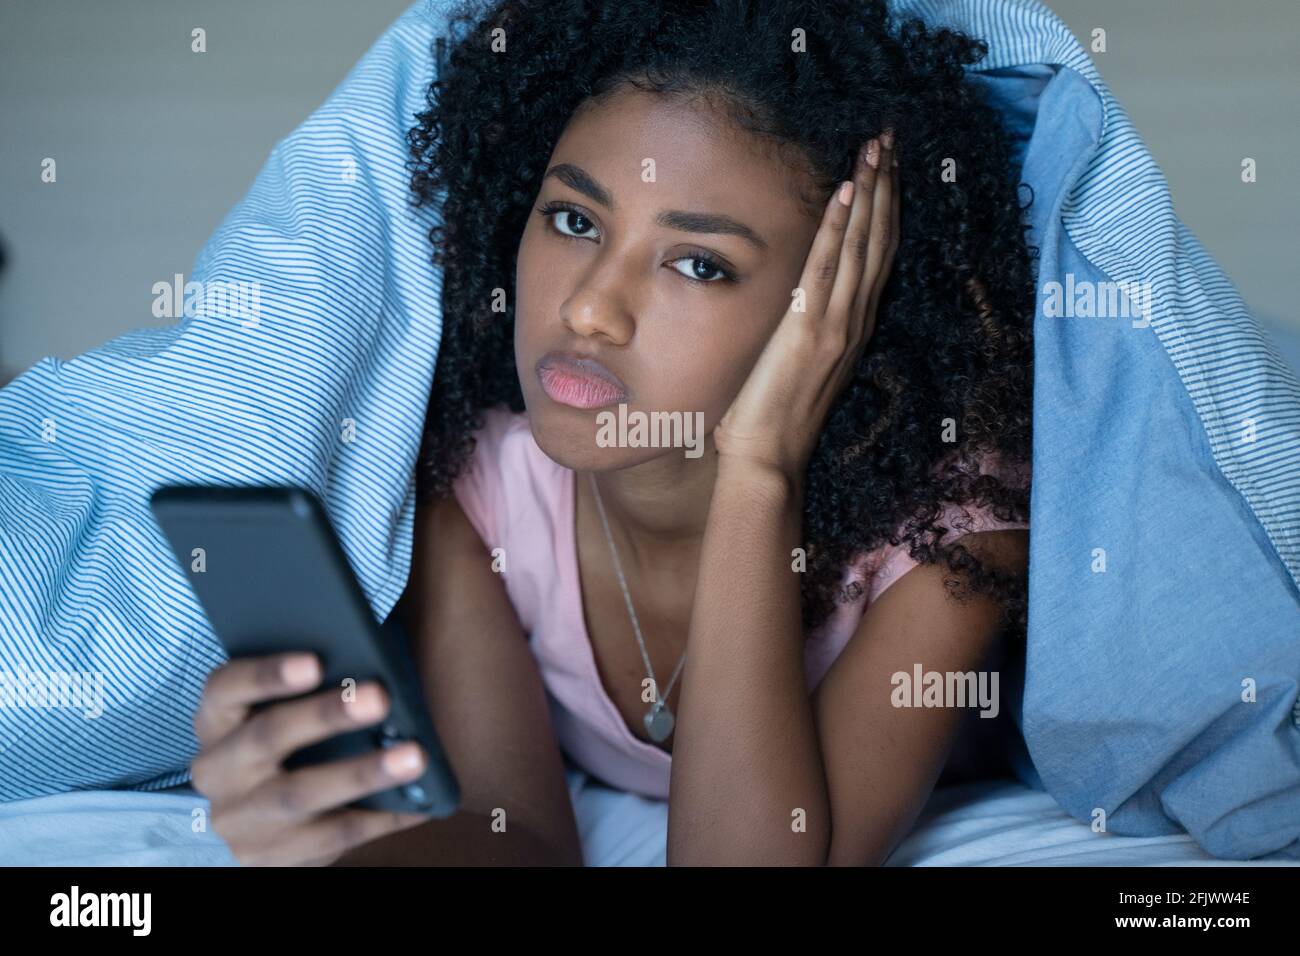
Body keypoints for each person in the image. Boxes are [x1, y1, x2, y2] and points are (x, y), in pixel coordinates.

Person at [190, 0, 1034, 866]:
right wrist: (327, 844)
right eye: (574, 220)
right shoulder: (476, 486)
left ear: (842, 310)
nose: (590, 307)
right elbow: (514, 835)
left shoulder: (951, 536)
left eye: (700, 264)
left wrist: (758, 470)